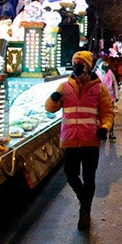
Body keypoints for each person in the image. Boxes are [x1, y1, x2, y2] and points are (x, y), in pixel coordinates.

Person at [45, 50, 114, 231]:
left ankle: (85, 211)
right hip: (70, 139)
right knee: (71, 173)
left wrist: (104, 127)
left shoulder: (99, 88)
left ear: (88, 66)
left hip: (91, 139)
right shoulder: (64, 87)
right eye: (75, 62)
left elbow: (107, 112)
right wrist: (53, 99)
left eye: (81, 63)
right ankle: (84, 200)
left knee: (89, 177)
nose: (77, 65)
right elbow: (50, 109)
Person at [94, 57, 118, 141]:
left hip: (110, 98)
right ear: (98, 65)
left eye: (105, 63)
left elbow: (114, 83)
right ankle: (103, 132)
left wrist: (117, 96)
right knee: (100, 116)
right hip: (98, 98)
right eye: (102, 63)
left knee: (110, 115)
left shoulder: (110, 72)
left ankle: (111, 132)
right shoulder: (95, 74)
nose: (105, 65)